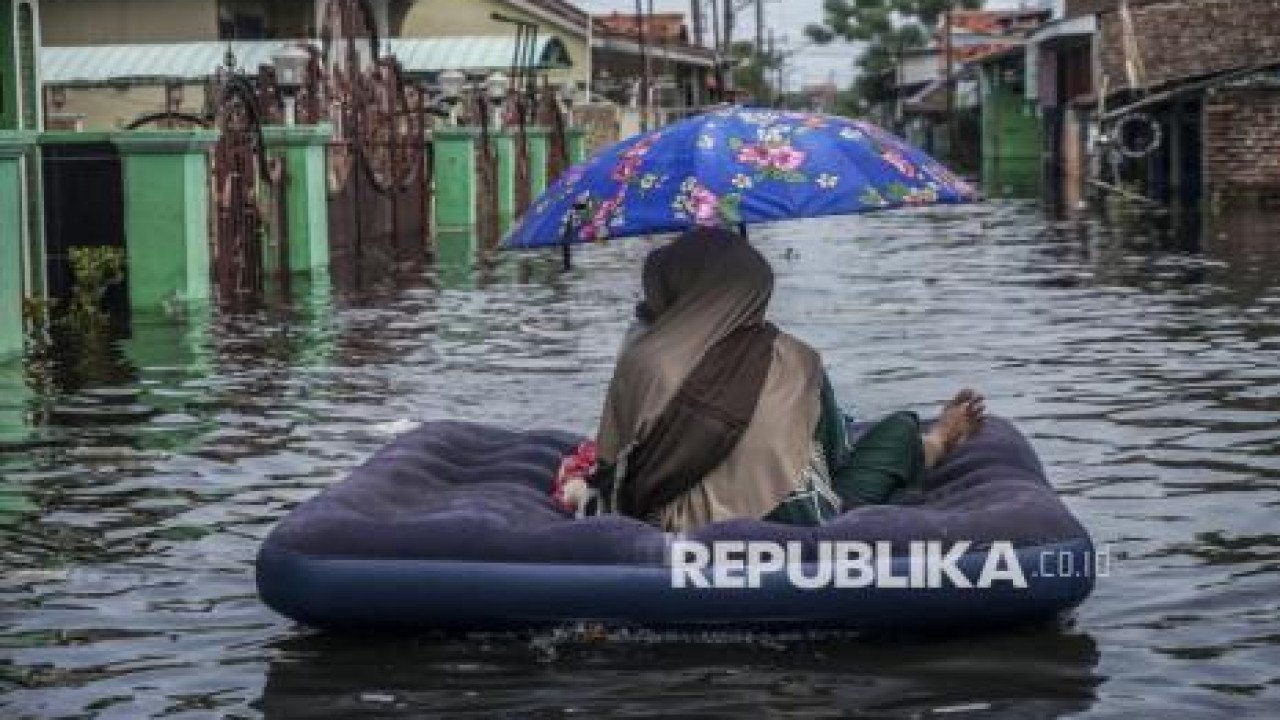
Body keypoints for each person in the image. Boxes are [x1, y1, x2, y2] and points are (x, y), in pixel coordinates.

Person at [572, 227, 984, 533]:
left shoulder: (643, 361)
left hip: (672, 527)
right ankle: (934, 442)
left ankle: (932, 443)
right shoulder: (797, 359)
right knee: (900, 429)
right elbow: (837, 458)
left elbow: (612, 474)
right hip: (799, 523)